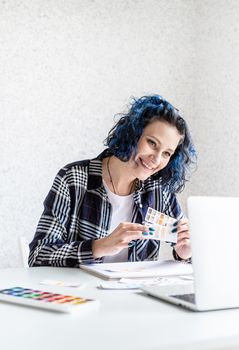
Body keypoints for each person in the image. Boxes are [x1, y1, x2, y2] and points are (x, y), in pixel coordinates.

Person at [28, 94, 196, 267]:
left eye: (167, 153)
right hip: (81, 292)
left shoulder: (159, 191)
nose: (156, 159)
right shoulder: (73, 179)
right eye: (152, 143)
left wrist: (185, 253)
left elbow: (187, 246)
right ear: (132, 134)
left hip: (134, 293)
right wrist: (99, 246)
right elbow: (39, 255)